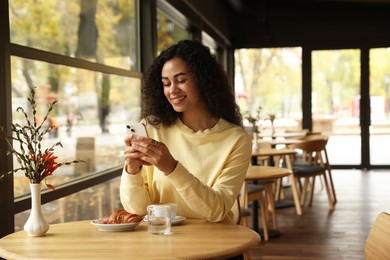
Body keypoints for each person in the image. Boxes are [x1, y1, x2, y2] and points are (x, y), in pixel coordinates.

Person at [120, 40, 252, 224]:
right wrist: (132, 170)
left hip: (216, 245)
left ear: (204, 80)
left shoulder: (236, 140)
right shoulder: (152, 129)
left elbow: (216, 210)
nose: (172, 90)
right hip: (160, 241)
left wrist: (171, 167)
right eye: (166, 83)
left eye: (181, 80)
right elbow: (137, 210)